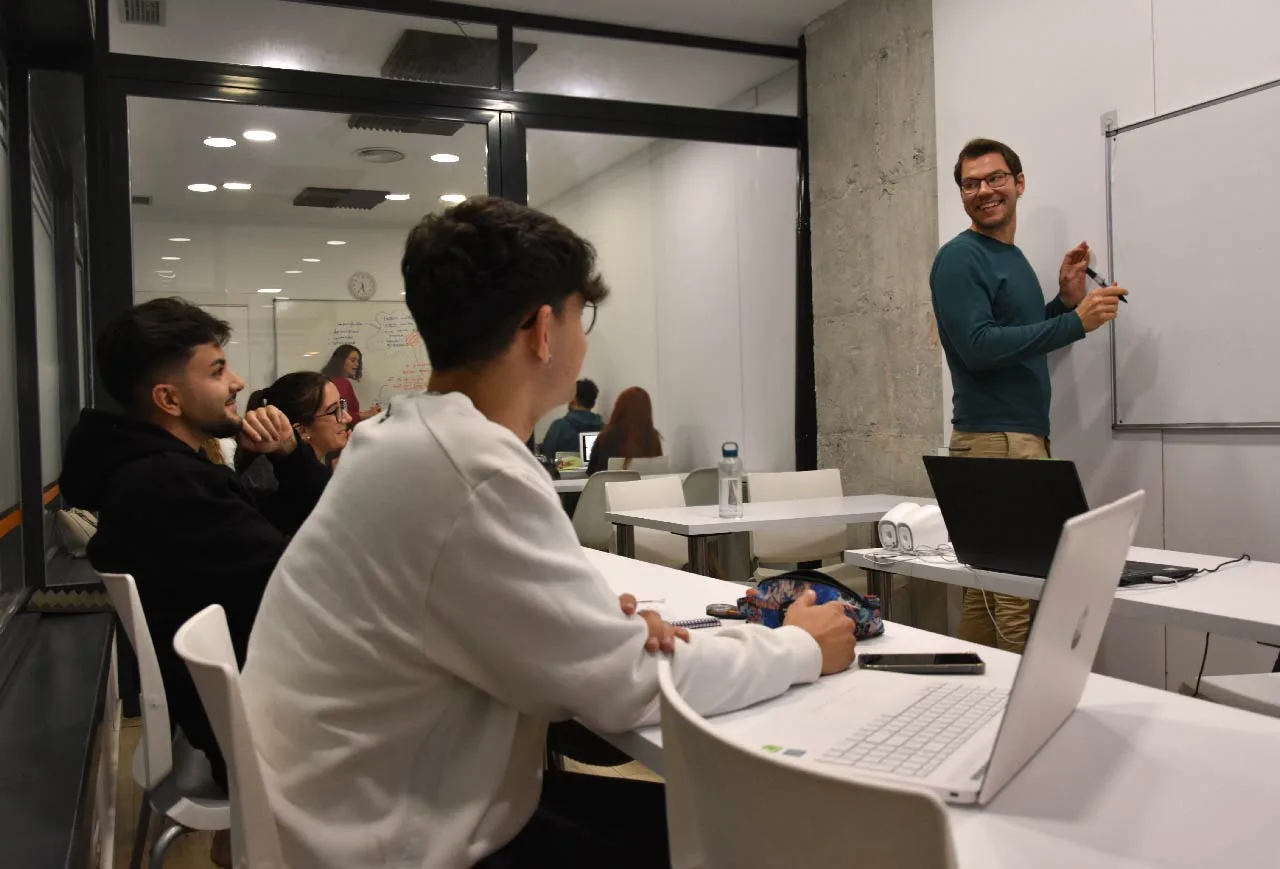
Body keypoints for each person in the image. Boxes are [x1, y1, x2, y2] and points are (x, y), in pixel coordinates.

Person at [240, 197, 857, 869]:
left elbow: (517, 627)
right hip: (397, 837)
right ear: (542, 330)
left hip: (359, 808)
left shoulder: (400, 438)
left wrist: (587, 625)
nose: (584, 338)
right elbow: (625, 684)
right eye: (580, 315)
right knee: (754, 840)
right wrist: (798, 645)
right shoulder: (473, 469)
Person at [60, 298, 331, 798]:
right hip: (267, 736)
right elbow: (304, 584)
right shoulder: (168, 487)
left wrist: (287, 458)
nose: (239, 383)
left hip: (245, 712)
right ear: (169, 399)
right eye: (218, 370)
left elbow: (273, 536)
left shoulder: (161, 474)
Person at [931, 138, 1127, 652]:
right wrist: (1075, 325)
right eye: (970, 183)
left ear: (1019, 183)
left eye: (995, 178)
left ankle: (966, 713)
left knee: (991, 596)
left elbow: (1012, 341)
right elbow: (977, 347)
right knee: (1015, 600)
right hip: (994, 442)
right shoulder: (959, 259)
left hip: (1018, 441)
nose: (984, 191)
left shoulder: (1010, 258)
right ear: (962, 195)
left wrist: (1065, 303)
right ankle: (1017, 726)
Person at [234, 373, 350, 527]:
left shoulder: (308, 470)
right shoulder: (270, 482)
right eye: (334, 410)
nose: (347, 418)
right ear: (301, 431)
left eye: (342, 406)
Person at [585, 385, 661, 474]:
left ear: (619, 408)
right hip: (646, 488)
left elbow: (592, 474)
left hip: (609, 487)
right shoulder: (654, 438)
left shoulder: (605, 438)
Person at [539, 378, 603, 460]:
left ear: (573, 401)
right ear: (593, 404)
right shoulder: (604, 429)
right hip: (594, 473)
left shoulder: (559, 427)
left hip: (561, 472)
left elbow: (546, 457)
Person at [321, 344, 382, 423]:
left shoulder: (330, 380)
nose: (357, 364)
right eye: (353, 360)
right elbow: (339, 415)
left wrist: (367, 413)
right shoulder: (340, 383)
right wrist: (367, 414)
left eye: (358, 361)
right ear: (341, 361)